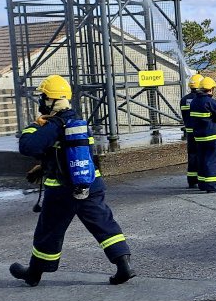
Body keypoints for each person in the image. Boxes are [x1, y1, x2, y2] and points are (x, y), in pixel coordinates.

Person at [10, 74, 134, 287]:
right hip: (90, 185)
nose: (41, 102)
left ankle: (34, 273)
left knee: (48, 231)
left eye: (43, 97)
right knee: (104, 224)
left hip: (62, 191)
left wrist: (34, 126)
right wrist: (42, 167)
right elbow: (67, 154)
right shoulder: (77, 121)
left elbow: (28, 147)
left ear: (52, 100)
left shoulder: (53, 124)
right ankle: (123, 265)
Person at [189, 76, 216, 192]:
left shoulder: (194, 102)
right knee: (212, 161)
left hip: (199, 138)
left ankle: (203, 184)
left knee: (202, 160)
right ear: (211, 89)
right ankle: (212, 185)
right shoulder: (210, 102)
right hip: (212, 138)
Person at [181, 73, 204, 188]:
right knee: (202, 155)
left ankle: (191, 180)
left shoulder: (184, 100)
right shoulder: (200, 100)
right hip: (200, 132)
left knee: (192, 155)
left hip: (189, 132)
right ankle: (201, 179)